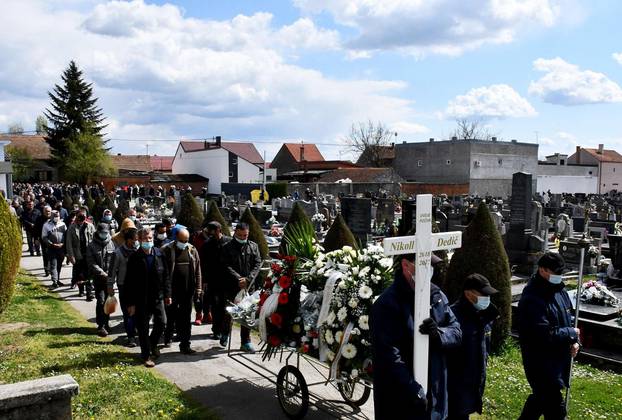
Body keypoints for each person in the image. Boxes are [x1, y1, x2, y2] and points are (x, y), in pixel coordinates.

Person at [371, 253, 462, 419]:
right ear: (406, 265)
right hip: (402, 400)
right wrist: (413, 390)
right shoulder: (387, 304)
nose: (430, 270)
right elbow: (388, 354)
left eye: (432, 265)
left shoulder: (437, 296)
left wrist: (439, 335)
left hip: (436, 395)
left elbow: (456, 330)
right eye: (424, 265)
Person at [518, 253, 580, 420]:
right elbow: (542, 334)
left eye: (560, 272)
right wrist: (571, 333)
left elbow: (569, 317)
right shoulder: (532, 297)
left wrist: (574, 341)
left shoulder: (560, 290)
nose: (558, 276)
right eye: (555, 272)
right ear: (542, 270)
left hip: (558, 360)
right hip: (541, 362)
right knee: (556, 410)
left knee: (539, 400)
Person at [447, 274, 499, 420]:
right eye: (483, 294)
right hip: (456, 385)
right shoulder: (452, 316)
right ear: (468, 293)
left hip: (473, 383)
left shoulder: (484, 315)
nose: (487, 298)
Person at [125, 228, 171, 367]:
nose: (148, 241)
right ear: (139, 240)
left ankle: (152, 344)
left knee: (162, 322)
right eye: (145, 239)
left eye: (150, 238)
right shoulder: (135, 257)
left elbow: (166, 276)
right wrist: (131, 303)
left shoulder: (159, 253)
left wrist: (168, 294)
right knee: (143, 328)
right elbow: (129, 282)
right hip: (141, 299)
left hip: (158, 296)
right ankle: (146, 355)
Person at [221, 222, 262, 352]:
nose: (243, 237)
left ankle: (245, 341)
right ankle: (225, 332)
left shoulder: (253, 246)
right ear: (235, 232)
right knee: (229, 312)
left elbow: (257, 264)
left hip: (249, 287)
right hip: (232, 286)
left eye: (245, 235)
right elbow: (225, 265)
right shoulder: (227, 247)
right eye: (240, 235)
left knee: (248, 314)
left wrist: (248, 279)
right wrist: (238, 278)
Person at [161, 227, 202, 354]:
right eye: (181, 240)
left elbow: (198, 271)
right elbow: (163, 273)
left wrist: (198, 288)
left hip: (187, 291)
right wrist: (165, 292)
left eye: (186, 240)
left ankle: (185, 344)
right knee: (170, 316)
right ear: (175, 238)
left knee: (185, 319)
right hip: (171, 292)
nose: (184, 243)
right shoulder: (166, 250)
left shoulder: (192, 250)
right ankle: (168, 337)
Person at [108, 228, 139, 347]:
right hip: (124, 286)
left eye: (137, 240)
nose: (136, 242)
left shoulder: (139, 250)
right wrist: (110, 286)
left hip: (138, 286)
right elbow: (112, 271)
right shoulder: (118, 253)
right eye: (134, 240)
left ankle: (136, 331)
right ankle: (130, 337)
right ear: (128, 240)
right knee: (128, 313)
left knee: (139, 312)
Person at [199, 221, 231, 337]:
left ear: (218, 230)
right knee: (215, 306)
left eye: (212, 231)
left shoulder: (228, 242)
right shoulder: (207, 244)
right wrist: (205, 280)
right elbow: (203, 264)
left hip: (227, 279)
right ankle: (216, 330)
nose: (210, 233)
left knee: (225, 306)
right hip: (213, 280)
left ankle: (225, 330)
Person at [87, 223, 116, 337]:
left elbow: (114, 259)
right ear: (98, 232)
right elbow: (91, 262)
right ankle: (101, 325)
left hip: (109, 279)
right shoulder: (91, 245)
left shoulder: (111, 243)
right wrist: (101, 273)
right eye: (102, 232)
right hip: (98, 278)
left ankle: (106, 322)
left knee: (109, 302)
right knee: (101, 301)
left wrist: (112, 273)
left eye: (106, 232)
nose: (104, 234)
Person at [66, 212, 96, 299]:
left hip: (89, 254)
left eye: (83, 220)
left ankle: (89, 292)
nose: (81, 222)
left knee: (89, 274)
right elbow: (69, 244)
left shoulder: (90, 226)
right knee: (80, 274)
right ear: (76, 219)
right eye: (79, 220)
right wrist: (71, 256)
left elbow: (95, 240)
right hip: (78, 255)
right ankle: (81, 290)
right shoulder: (71, 228)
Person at [41, 210, 67, 288]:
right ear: (52, 216)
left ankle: (57, 279)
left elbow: (66, 235)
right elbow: (44, 237)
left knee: (59, 265)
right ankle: (54, 281)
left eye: (58, 216)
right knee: (53, 265)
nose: (57, 218)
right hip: (51, 248)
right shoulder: (46, 225)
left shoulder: (62, 224)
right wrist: (51, 244)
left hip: (61, 248)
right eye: (55, 216)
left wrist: (62, 243)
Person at [35, 205, 52, 276]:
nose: (48, 213)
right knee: (45, 254)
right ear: (43, 212)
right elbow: (36, 230)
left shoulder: (53, 218)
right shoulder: (39, 219)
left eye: (49, 211)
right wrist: (36, 239)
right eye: (46, 211)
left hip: (52, 240)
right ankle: (46, 270)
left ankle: (52, 269)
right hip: (43, 239)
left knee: (52, 255)